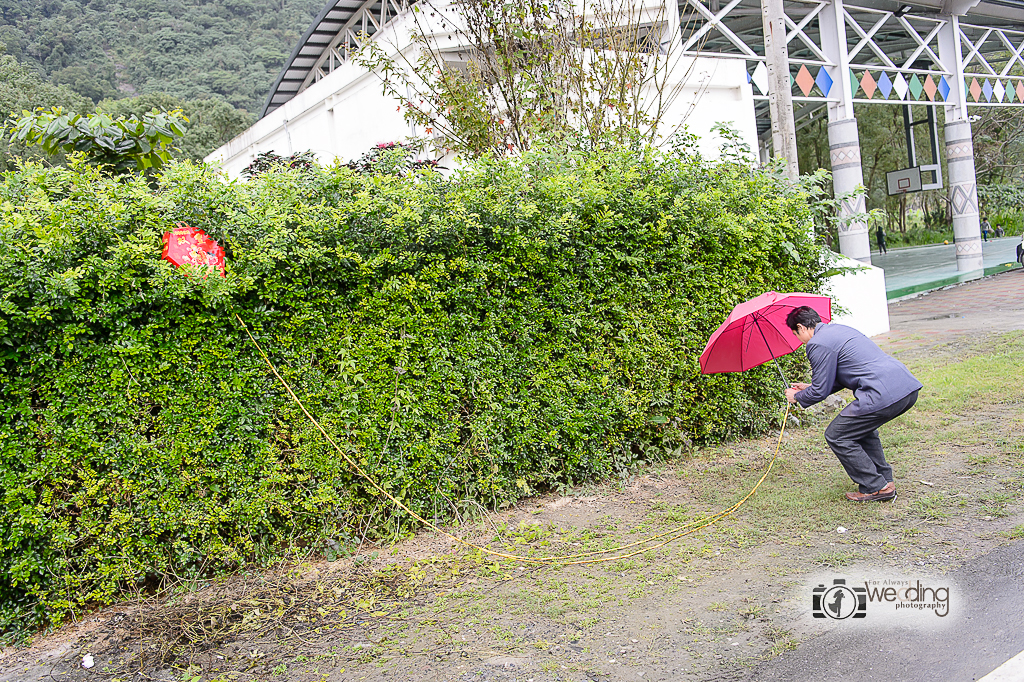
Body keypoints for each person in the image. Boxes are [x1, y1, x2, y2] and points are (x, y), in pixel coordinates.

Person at [784, 306, 923, 503]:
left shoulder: (817, 344)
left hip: (881, 393)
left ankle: (876, 487)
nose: (798, 339)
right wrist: (809, 387)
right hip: (905, 387)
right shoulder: (841, 330)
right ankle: (883, 480)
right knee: (861, 430)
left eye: (795, 334)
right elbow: (840, 375)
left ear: (801, 327)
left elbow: (820, 391)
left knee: (837, 435)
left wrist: (796, 397)